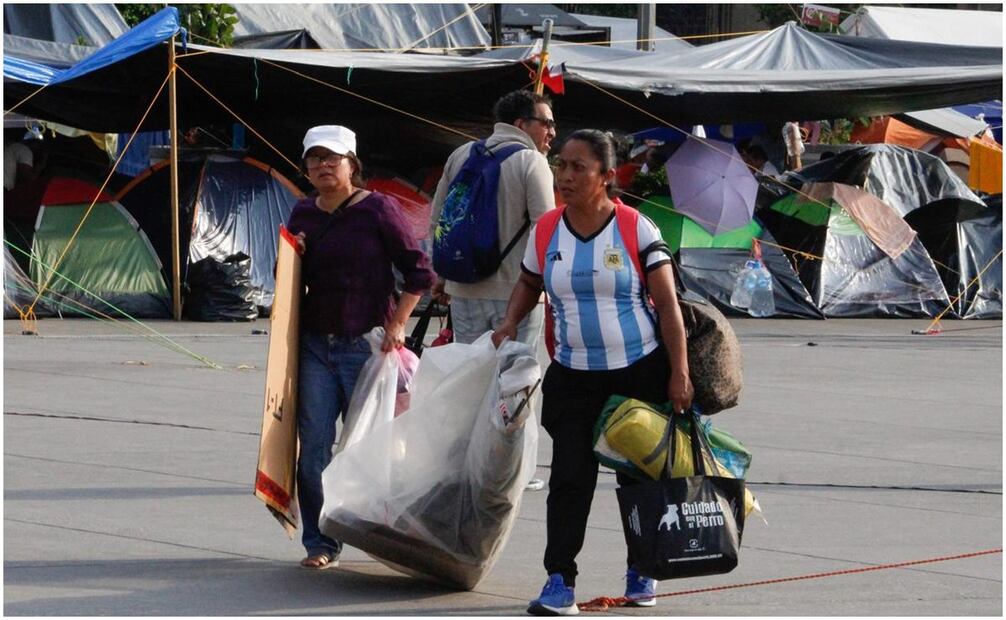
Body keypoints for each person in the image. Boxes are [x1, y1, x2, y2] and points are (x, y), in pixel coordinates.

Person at [491, 130, 693, 616]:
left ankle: (641, 570)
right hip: (574, 376)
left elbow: (667, 307)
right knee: (569, 480)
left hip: (638, 373)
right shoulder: (546, 231)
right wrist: (510, 322)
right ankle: (560, 580)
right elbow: (527, 280)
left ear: (607, 176)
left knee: (639, 479)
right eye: (561, 165)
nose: (565, 176)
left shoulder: (636, 228)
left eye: (578, 167)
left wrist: (679, 373)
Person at [285, 125, 435, 570]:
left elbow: (419, 273)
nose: (323, 167)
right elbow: (287, 277)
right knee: (312, 449)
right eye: (315, 159)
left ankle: (379, 531)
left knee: (367, 448)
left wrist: (398, 324)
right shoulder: (302, 214)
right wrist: (295, 252)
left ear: (353, 163)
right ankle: (320, 541)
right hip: (315, 345)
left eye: (333, 158)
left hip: (365, 345)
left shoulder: (378, 209)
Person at [429, 89, 557, 350]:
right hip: (516, 293)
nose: (553, 132)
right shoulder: (531, 161)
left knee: (474, 376)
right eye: (547, 123)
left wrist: (444, 276)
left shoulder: (462, 154)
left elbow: (438, 221)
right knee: (515, 380)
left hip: (462, 288)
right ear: (521, 124)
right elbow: (545, 231)